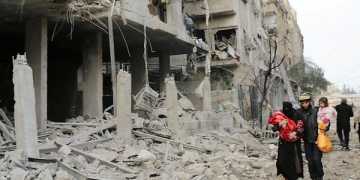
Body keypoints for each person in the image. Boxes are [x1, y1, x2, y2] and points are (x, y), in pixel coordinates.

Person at [293, 93, 324, 180]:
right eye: (302, 103)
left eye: (306, 102)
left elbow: (324, 122)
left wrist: (324, 129)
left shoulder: (317, 110)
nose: (305, 105)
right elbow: (295, 124)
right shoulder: (298, 113)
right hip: (306, 140)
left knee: (317, 160)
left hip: (317, 140)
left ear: (309, 102)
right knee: (310, 161)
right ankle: (313, 177)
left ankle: (320, 176)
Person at [271, 102, 304, 180]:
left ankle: (293, 177)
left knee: (294, 163)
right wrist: (280, 124)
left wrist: (296, 133)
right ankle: (285, 177)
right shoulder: (280, 116)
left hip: (294, 144)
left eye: (288, 109)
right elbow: (274, 129)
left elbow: (303, 128)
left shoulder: (296, 115)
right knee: (282, 162)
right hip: (284, 144)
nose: (287, 111)